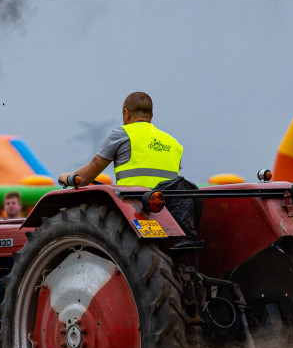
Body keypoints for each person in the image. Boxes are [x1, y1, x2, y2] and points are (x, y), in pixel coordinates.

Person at [57, 92, 200, 241]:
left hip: (135, 210)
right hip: (169, 214)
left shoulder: (121, 135)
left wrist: (67, 178)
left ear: (126, 113)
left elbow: (85, 178)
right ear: (151, 114)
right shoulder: (173, 143)